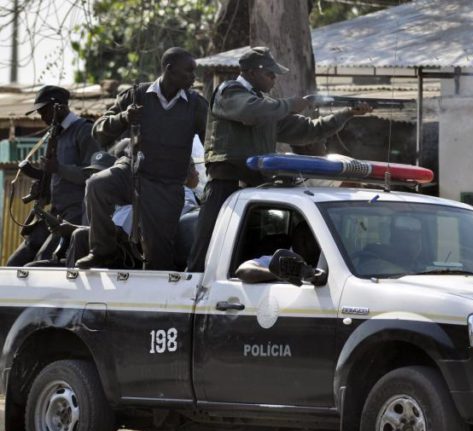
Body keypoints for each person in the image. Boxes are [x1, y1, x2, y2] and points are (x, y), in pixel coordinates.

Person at [186, 46, 373, 272]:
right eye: (270, 74)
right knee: (207, 250)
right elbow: (252, 113)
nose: (274, 79)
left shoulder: (267, 106)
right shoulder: (229, 92)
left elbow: (309, 130)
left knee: (248, 254)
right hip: (226, 186)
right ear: (252, 72)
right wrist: (291, 104)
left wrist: (347, 114)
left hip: (255, 188)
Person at [76, 47, 208, 270]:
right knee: (97, 185)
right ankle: (102, 251)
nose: (194, 77)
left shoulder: (196, 105)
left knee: (158, 257)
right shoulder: (136, 95)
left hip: (166, 184)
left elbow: (211, 143)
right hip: (131, 170)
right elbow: (98, 131)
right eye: (189, 71)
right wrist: (123, 117)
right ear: (170, 70)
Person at [6, 85, 99, 266]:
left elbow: (93, 174)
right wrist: (42, 184)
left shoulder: (84, 131)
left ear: (59, 107)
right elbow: (57, 176)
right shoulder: (56, 134)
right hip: (54, 213)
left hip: (76, 215)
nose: (42, 118)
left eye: (45, 112)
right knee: (14, 262)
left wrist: (58, 168)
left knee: (40, 263)